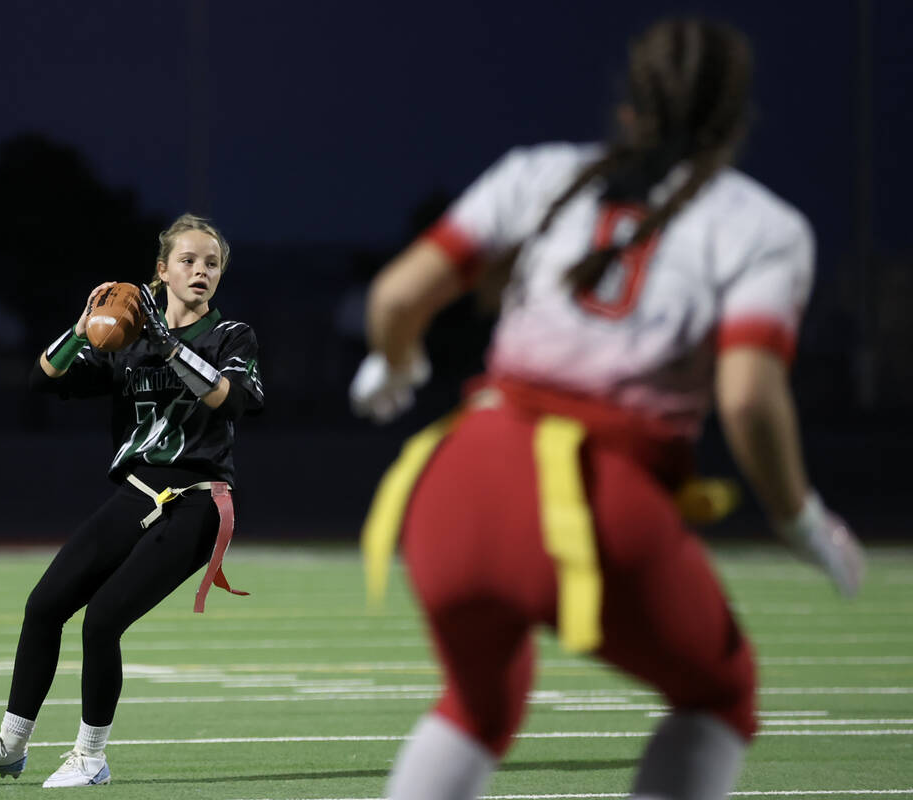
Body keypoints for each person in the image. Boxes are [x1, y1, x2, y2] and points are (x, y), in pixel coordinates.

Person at [349, 18, 865, 800]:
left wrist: (396, 360)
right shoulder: (763, 226)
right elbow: (749, 397)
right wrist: (801, 519)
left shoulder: (540, 173)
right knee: (720, 693)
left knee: (479, 704)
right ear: (734, 119)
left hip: (456, 481)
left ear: (630, 103)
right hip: (590, 498)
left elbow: (394, 296)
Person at [0, 213, 264, 788]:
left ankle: (91, 757)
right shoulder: (130, 340)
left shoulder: (231, 335)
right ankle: (11, 744)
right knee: (43, 607)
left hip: (198, 499)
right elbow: (43, 379)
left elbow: (232, 400)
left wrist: (169, 347)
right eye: (188, 261)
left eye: (211, 263)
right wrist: (81, 324)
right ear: (160, 272)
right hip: (139, 490)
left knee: (103, 620)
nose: (201, 271)